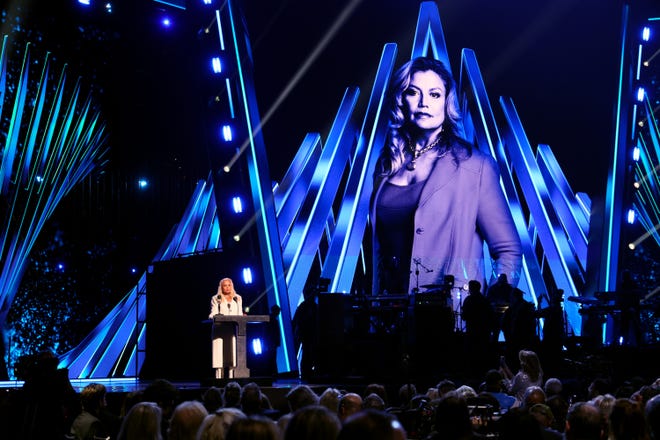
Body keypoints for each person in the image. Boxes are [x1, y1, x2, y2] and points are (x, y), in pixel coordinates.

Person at [371, 56, 522, 306]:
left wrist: (492, 308)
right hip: (385, 318)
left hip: (449, 320)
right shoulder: (386, 164)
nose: (423, 103)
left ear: (446, 103)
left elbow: (508, 250)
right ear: (400, 100)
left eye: (434, 94)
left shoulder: (475, 166)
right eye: (413, 92)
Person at [208, 277, 243, 379]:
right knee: (219, 356)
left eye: (229, 285)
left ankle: (232, 378)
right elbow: (213, 312)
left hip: (232, 330)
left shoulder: (238, 298)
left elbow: (239, 313)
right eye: (225, 285)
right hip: (220, 329)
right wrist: (212, 316)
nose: (227, 288)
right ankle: (219, 379)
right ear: (221, 287)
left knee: (232, 355)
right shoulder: (216, 298)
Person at [461, 279, 495, 374]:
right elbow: (491, 315)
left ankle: (472, 373)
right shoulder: (485, 300)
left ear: (471, 288)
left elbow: (464, 316)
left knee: (471, 353)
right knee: (482, 353)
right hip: (484, 332)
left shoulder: (468, 300)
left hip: (472, 331)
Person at [291, 286, 319, 379]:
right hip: (306, 335)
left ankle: (308, 373)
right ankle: (305, 373)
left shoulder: (313, 306)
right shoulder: (304, 306)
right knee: (307, 354)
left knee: (310, 354)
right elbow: (297, 321)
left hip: (312, 335)